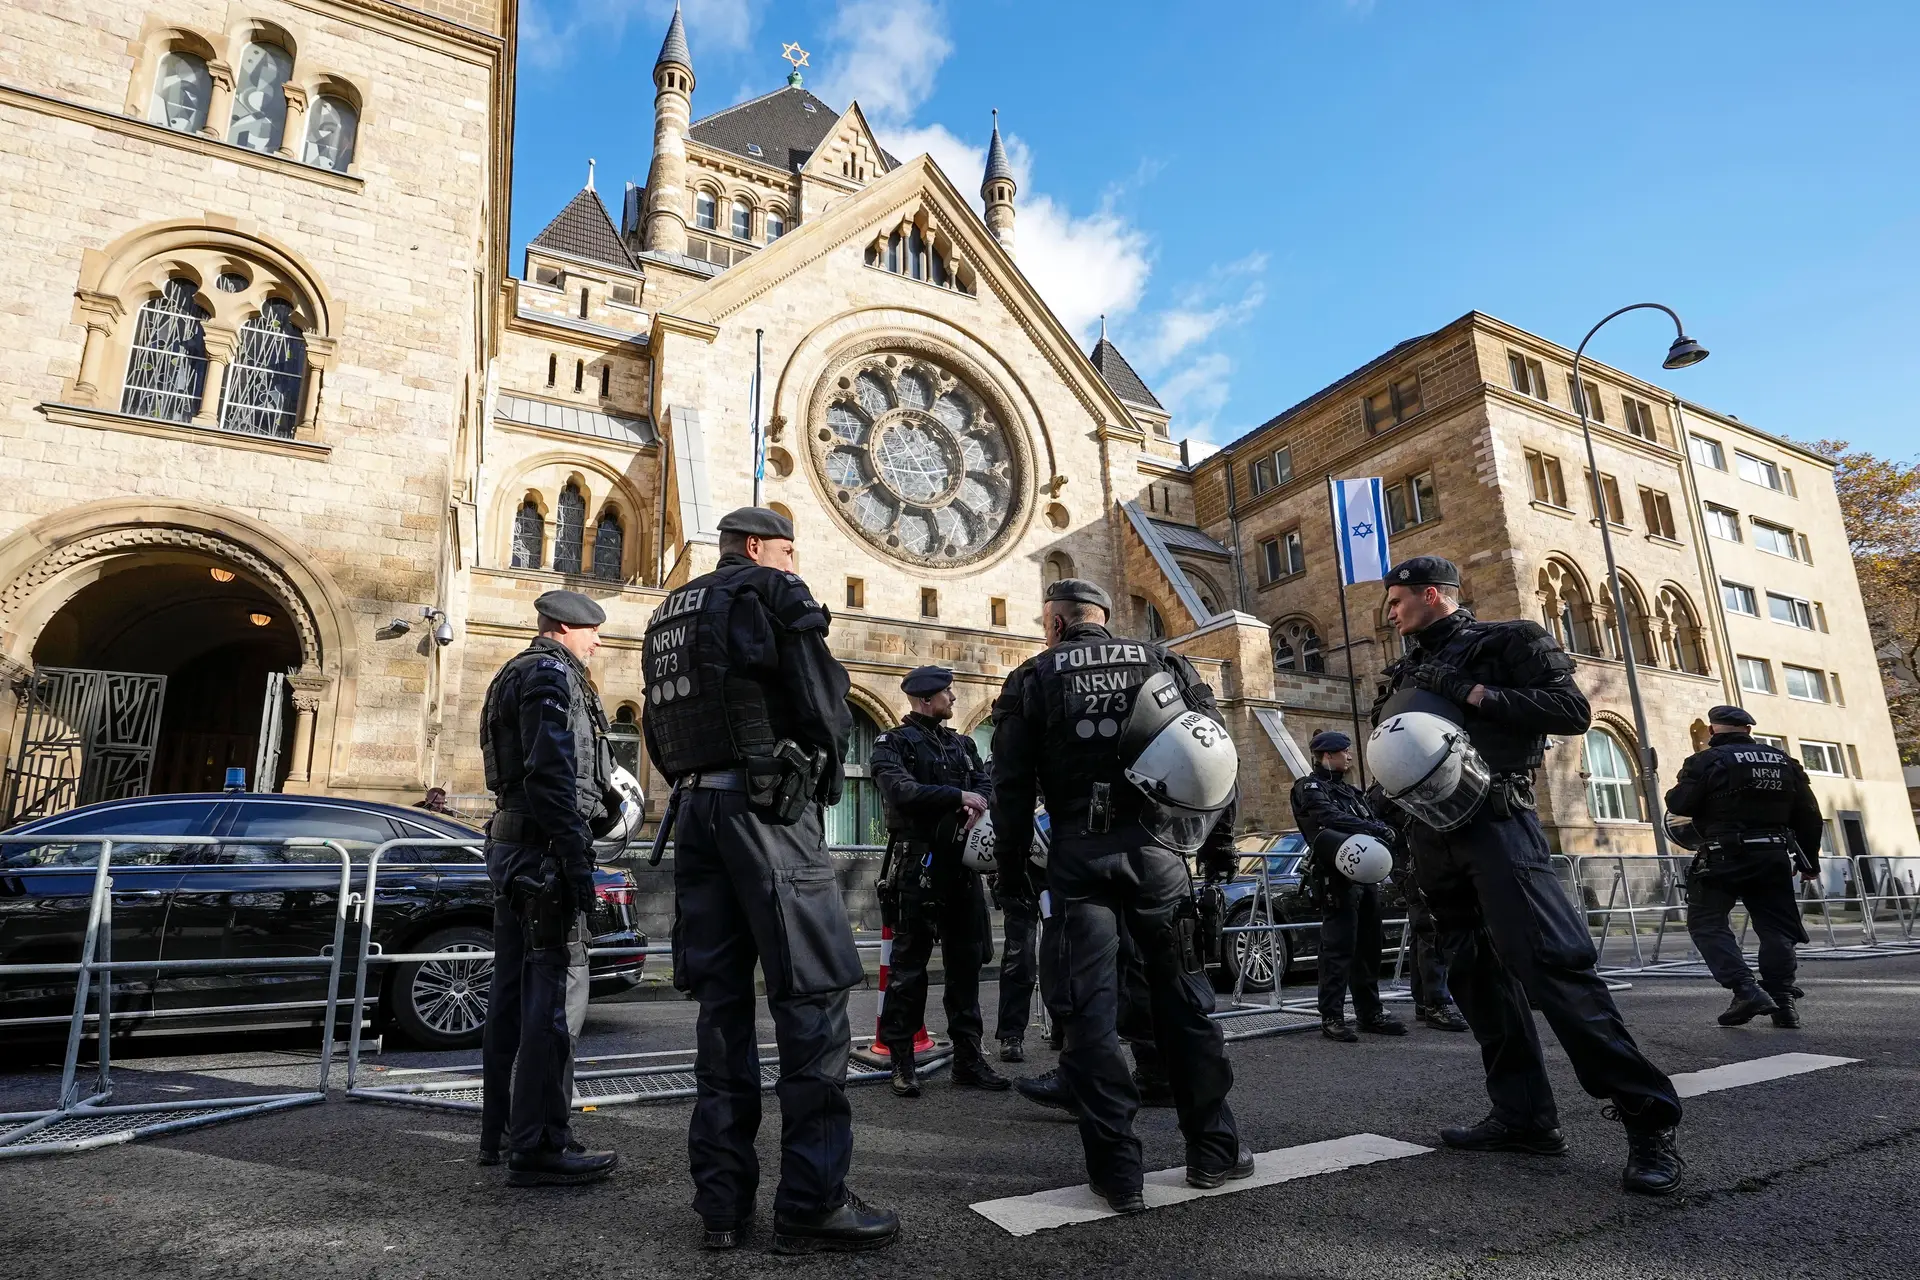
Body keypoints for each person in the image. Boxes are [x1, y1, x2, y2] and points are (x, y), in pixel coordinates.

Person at [1370, 556, 1685, 1196]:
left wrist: (1477, 693)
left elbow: (1570, 711)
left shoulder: (1509, 639)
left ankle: (1648, 1121)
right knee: (1475, 979)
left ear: (1434, 594)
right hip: (1431, 836)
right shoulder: (1403, 669)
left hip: (1497, 823)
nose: (1392, 611)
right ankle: (1522, 1117)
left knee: (1553, 969)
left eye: (1399, 600)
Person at [642, 507, 899, 1254]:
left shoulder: (669, 612)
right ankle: (813, 1205)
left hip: (695, 813)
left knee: (721, 1014)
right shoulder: (772, 590)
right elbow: (826, 705)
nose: (794, 559)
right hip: (767, 815)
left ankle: (721, 1208)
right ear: (755, 548)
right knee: (813, 1002)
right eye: (788, 547)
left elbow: (662, 729)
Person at [990, 578, 1249, 1214]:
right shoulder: (1162, 661)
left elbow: (1011, 787)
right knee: (1183, 1002)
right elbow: (1216, 755)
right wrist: (1218, 850)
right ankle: (1212, 1151)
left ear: (1053, 624)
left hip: (1079, 857)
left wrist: (1013, 869)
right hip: (1158, 850)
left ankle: (1118, 1175)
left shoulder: (1032, 677)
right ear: (1104, 619)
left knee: (1090, 1016)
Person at [477, 589, 619, 1187]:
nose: (597, 643)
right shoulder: (551, 676)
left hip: (515, 846)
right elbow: (551, 771)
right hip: (543, 853)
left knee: (511, 999)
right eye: (591, 632)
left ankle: (503, 1133)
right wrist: (577, 857)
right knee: (552, 1003)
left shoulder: (514, 671)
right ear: (564, 627)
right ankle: (540, 1146)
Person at [870, 665, 1010, 1097]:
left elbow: (984, 782)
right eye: (947, 693)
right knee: (908, 970)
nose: (954, 698)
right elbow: (901, 791)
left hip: (961, 867)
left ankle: (968, 1060)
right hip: (916, 865)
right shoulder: (892, 744)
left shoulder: (963, 744)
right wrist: (957, 796)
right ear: (926, 699)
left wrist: (978, 798)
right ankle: (902, 1063)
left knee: (966, 967)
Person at [1666, 705, 1824, 1029]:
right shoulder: (1783, 761)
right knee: (1777, 928)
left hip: (1723, 857)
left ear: (1712, 731)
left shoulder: (1705, 761)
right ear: (1748, 730)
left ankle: (1745, 989)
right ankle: (1784, 1003)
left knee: (1706, 922)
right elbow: (1809, 813)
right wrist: (1809, 861)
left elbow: (1679, 804)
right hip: (1772, 856)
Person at [1291, 730, 1407, 1042]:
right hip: (1335, 877)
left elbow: (1370, 818)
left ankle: (1370, 1013)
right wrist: (1374, 827)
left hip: (1365, 875)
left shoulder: (1352, 793)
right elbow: (1328, 818)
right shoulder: (1309, 787)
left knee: (1369, 947)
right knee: (1338, 949)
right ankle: (1332, 1016)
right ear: (1327, 755)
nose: (1350, 757)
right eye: (1344, 752)